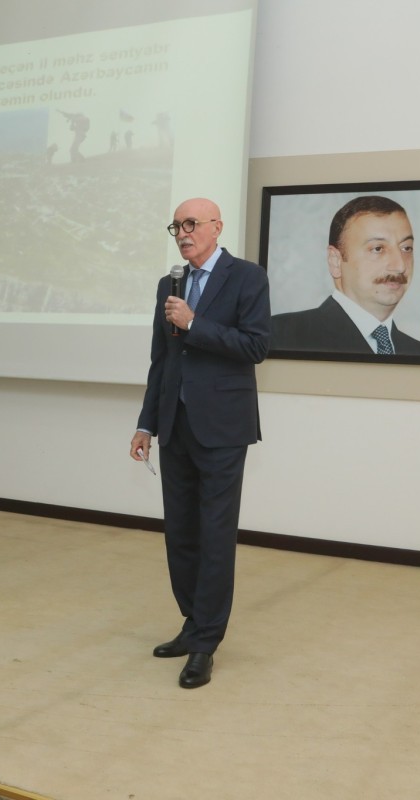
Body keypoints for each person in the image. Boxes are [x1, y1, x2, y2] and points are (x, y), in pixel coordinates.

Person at [129, 198, 271, 689]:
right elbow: (161, 360)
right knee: (181, 534)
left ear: (217, 227)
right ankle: (192, 624)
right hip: (175, 425)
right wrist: (146, 424)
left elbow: (256, 346)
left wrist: (194, 323)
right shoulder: (169, 284)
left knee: (214, 535)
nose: (183, 233)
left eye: (191, 224)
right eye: (176, 226)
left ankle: (206, 643)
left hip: (223, 428)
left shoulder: (247, 277)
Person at [270, 195, 420, 356]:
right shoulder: (277, 337)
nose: (400, 266)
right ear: (335, 261)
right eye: (378, 249)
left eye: (406, 248)